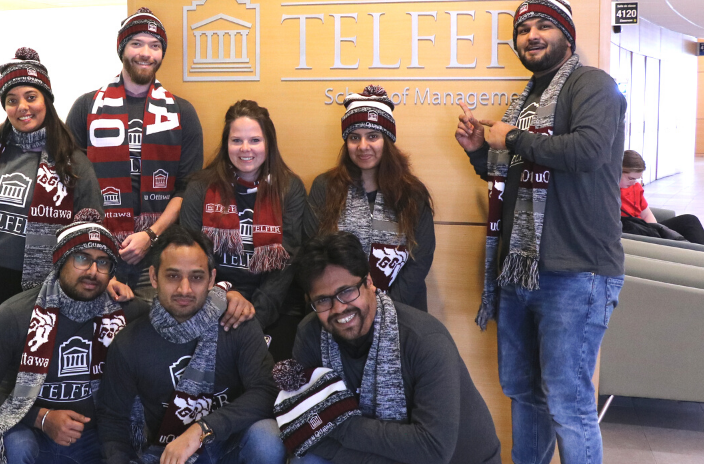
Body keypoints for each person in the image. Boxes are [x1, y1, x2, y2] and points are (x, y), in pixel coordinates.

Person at [454, 0, 627, 464]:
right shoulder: (525, 101)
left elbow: (586, 152)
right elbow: (509, 178)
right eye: (523, 30)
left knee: (568, 401)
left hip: (578, 273)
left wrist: (510, 136)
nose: (531, 36)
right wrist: (478, 150)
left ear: (567, 36)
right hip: (521, 271)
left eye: (543, 26)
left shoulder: (593, 85)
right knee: (523, 392)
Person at [0, 47, 124, 461]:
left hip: (35, 291)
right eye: (12, 99)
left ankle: (19, 448)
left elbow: (91, 229)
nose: (22, 107)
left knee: (21, 377)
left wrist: (107, 277)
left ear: (47, 99)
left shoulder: (73, 163)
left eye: (31, 97)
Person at [279, 232, 501, 464]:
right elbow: (302, 427)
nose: (338, 308)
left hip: (460, 460)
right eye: (323, 300)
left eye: (346, 291)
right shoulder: (311, 334)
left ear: (369, 283)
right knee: (306, 459)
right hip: (381, 456)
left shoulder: (425, 340)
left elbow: (432, 450)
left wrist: (337, 423)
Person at [0, 218, 148, 464]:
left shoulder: (125, 314)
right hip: (29, 434)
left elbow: (179, 311)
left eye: (103, 262)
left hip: (93, 439)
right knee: (18, 446)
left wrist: (216, 302)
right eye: (82, 258)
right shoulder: (16, 314)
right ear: (60, 261)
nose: (92, 271)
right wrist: (42, 418)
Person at [96, 225, 282, 464]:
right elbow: (113, 420)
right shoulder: (129, 342)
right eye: (173, 276)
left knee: (267, 438)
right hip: (166, 456)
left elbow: (267, 391)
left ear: (212, 279)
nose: (184, 289)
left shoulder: (237, 322)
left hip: (230, 448)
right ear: (154, 277)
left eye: (196, 277)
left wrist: (201, 430)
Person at [65, 7, 204, 291]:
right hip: (98, 249)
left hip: (159, 251)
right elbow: (71, 183)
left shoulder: (182, 113)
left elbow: (187, 189)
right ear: (122, 49)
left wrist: (150, 235)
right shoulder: (86, 108)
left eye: (155, 46)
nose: (146, 53)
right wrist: (98, 238)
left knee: (149, 327)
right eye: (136, 43)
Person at [179, 100, 306, 358]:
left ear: (269, 144)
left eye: (255, 140)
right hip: (212, 299)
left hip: (275, 305)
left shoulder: (289, 188)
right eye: (237, 140)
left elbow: (288, 261)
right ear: (226, 145)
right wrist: (222, 298)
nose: (245, 149)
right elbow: (190, 255)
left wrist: (255, 314)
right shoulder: (200, 187)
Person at [303, 85, 434, 312]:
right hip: (339, 309)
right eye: (355, 138)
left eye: (373, 136)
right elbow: (312, 251)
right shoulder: (325, 188)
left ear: (387, 141)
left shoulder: (412, 193)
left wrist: (383, 307)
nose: (363, 146)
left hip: (401, 308)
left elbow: (420, 259)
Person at [620, 149, 704, 255]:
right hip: (632, 232)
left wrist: (657, 231)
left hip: (645, 229)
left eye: (637, 179)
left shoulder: (635, 187)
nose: (633, 182)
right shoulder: (608, 192)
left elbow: (646, 214)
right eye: (630, 178)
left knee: (690, 220)